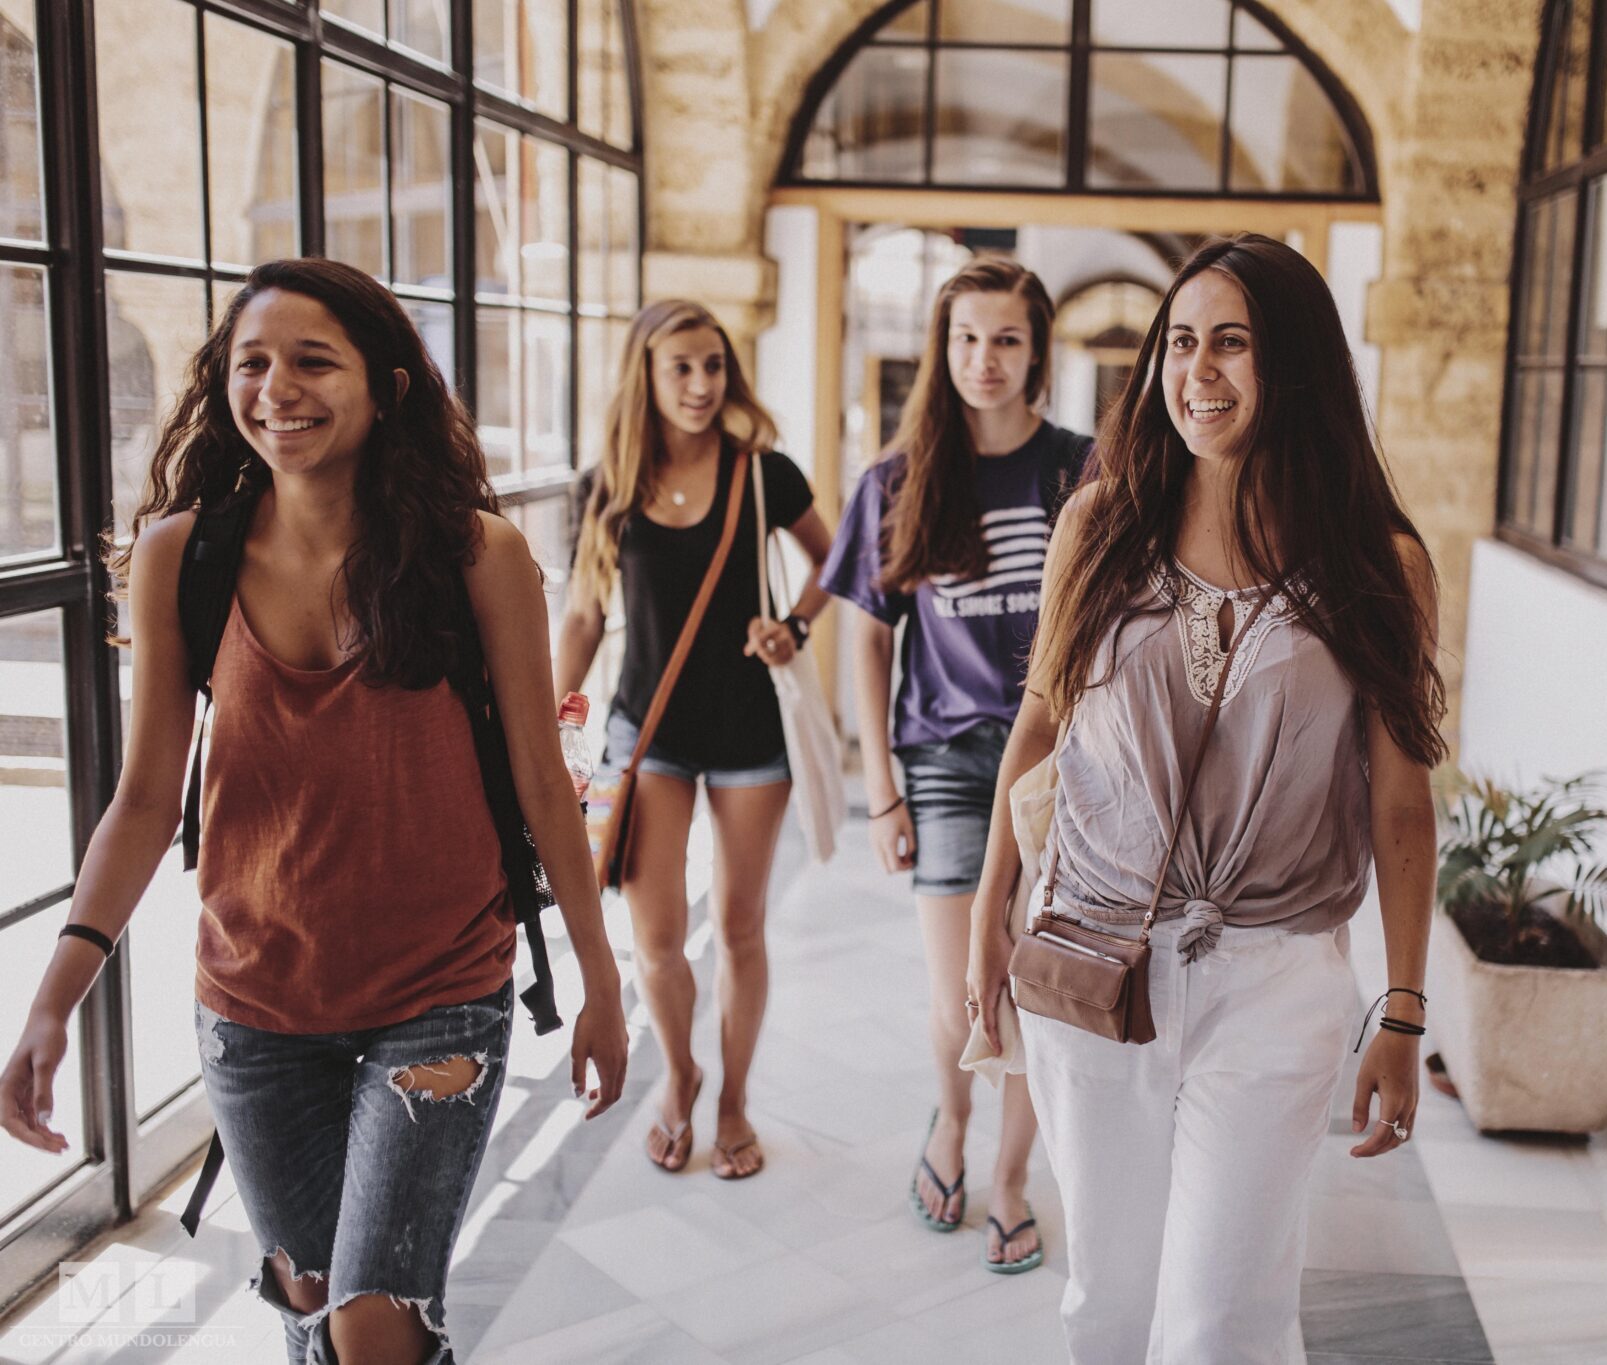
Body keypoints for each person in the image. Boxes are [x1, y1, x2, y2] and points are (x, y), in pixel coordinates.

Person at [0, 258, 629, 1365]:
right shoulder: (179, 556)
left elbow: (541, 783)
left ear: (384, 388)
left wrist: (600, 984)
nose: (276, 387)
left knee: (373, 1326)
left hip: (439, 996)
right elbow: (146, 797)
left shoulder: (474, 554)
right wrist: (55, 1001)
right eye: (252, 363)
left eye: (311, 361)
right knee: (310, 1302)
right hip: (253, 1009)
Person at [966, 234, 1445, 1362]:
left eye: (1231, 343)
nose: (1198, 373)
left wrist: (1405, 1010)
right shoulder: (1098, 526)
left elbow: (1398, 804)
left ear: (1296, 367)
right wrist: (993, 909)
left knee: (1217, 1320)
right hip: (1091, 959)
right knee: (1105, 1303)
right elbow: (1035, 725)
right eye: (1180, 343)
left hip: (1273, 978)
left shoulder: (1376, 564)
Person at [820, 257, 1092, 1272]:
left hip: (1060, 767)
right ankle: (948, 1120)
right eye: (966, 339)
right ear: (943, 350)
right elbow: (866, 640)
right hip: (938, 758)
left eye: (1006, 339)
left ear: (1036, 351)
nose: (985, 360)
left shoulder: (1081, 469)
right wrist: (879, 790)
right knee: (958, 997)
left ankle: (1014, 1177)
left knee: (1031, 987)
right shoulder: (893, 480)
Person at [557, 299, 833, 1180]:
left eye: (713, 365)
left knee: (743, 929)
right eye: (680, 366)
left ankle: (734, 1102)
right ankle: (679, 1075)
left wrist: (793, 623)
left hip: (752, 728)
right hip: (648, 737)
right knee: (659, 940)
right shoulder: (606, 487)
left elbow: (837, 561)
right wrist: (552, 720)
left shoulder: (765, 474)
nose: (701, 384)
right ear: (645, 373)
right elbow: (584, 617)